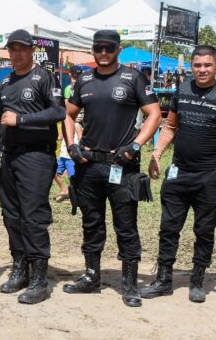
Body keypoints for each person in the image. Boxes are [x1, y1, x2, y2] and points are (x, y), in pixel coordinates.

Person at [62, 30, 162, 307]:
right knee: (91, 223)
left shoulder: (134, 78)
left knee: (126, 226)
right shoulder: (84, 79)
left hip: (122, 165)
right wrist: (71, 146)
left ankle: (129, 284)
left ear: (118, 49)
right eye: (99, 48)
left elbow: (154, 114)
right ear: (93, 50)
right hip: (88, 166)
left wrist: (136, 145)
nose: (103, 53)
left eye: (109, 48)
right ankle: (91, 276)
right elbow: (68, 115)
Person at [143, 46, 216, 303]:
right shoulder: (182, 90)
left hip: (209, 176)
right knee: (168, 228)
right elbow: (170, 126)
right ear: (191, 66)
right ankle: (163, 280)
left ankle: (198, 280)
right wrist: (156, 155)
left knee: (204, 230)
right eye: (197, 65)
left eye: (207, 65)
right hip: (178, 172)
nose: (202, 70)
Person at [0, 29, 67, 305]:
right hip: (9, 155)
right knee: (11, 215)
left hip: (36, 156)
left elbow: (59, 111)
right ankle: (20, 268)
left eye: (21, 48)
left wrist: (21, 120)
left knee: (33, 216)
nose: (16, 53)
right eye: (12, 49)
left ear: (32, 50)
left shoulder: (45, 77)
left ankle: (39, 278)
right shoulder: (6, 80)